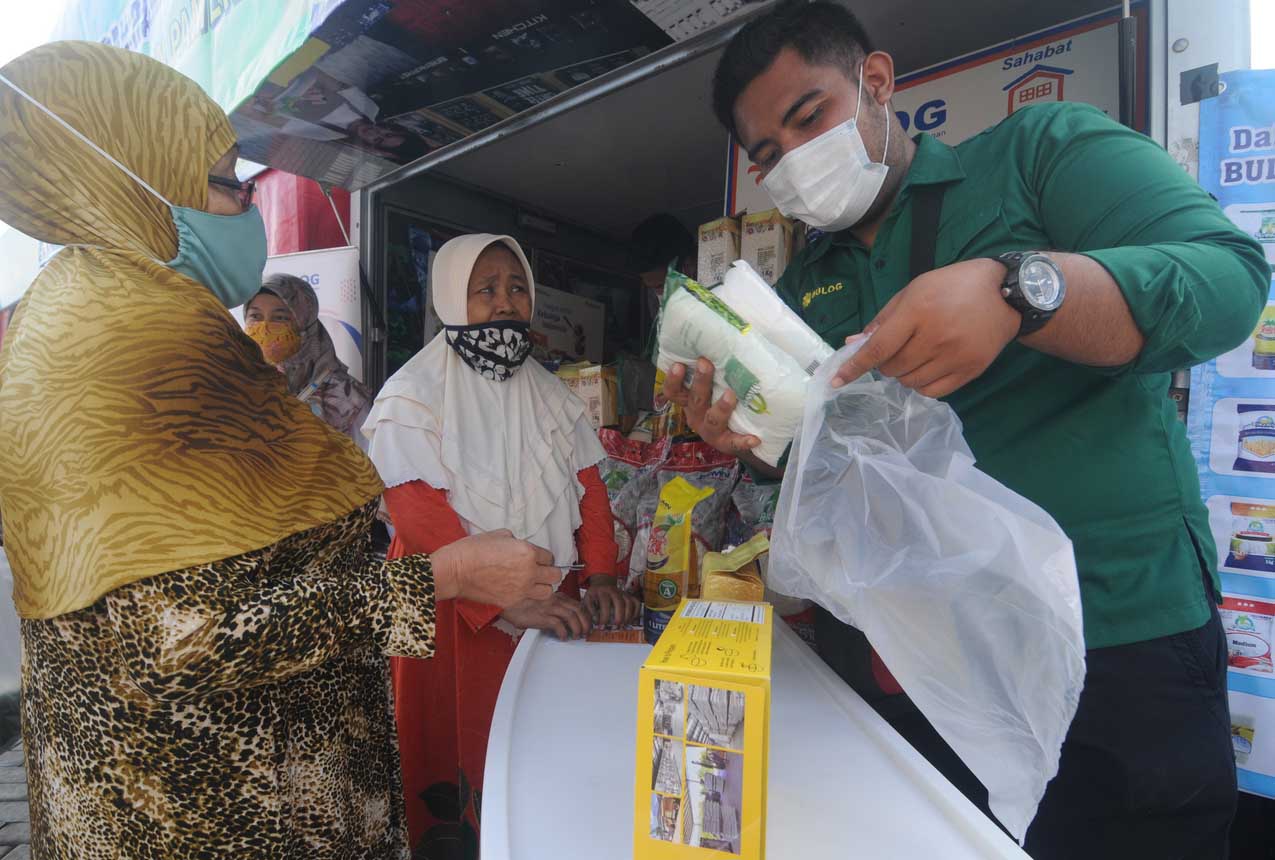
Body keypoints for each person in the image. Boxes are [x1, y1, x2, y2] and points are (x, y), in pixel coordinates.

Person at [663, 3, 1270, 858]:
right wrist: (754, 445)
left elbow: (1226, 279)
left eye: (809, 117)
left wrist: (1018, 290)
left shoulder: (1037, 155)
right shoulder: (803, 287)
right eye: (767, 155)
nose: (793, 159)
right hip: (918, 666)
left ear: (875, 82)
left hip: (1112, 644)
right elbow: (827, 471)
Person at [0, 42, 557, 860]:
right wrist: (450, 578)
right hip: (210, 815)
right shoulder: (126, 348)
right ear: (131, 175)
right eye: (225, 180)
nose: (244, 207)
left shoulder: (96, 317)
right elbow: (179, 642)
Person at [364, 233, 641, 855]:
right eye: (484, 289)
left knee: (540, 765)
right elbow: (414, 508)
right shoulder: (412, 394)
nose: (504, 302)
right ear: (449, 298)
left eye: (516, 288)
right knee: (454, 772)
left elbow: (590, 492)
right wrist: (497, 599)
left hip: (553, 610)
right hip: (452, 622)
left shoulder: (554, 395)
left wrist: (599, 577)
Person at [244, 274, 374, 446]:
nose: (265, 328)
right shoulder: (237, 386)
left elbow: (368, 465)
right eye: (255, 316)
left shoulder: (347, 399)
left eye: (280, 318)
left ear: (305, 325)